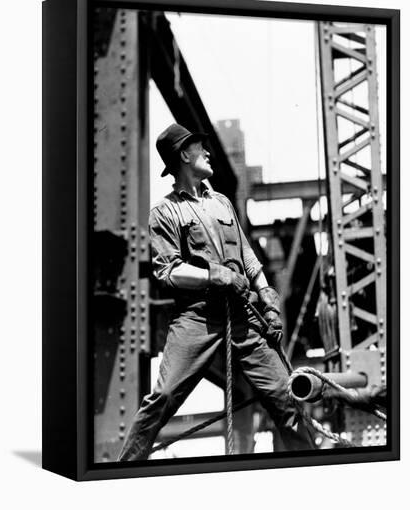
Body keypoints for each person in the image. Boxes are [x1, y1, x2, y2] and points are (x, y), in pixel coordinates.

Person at [119, 123, 315, 460]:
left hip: (243, 314)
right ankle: (120, 473)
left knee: (288, 397)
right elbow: (168, 271)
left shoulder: (222, 202)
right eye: (200, 147)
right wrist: (215, 275)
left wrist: (267, 297)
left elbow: (248, 255)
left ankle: (314, 466)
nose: (208, 152)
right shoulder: (164, 213)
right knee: (163, 397)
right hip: (197, 318)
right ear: (184, 155)